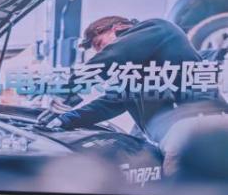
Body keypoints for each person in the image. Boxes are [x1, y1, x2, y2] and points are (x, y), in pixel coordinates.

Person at [44, 15, 228, 176]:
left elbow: (112, 56)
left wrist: (66, 92)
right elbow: (110, 103)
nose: (101, 52)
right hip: (182, 132)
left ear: (116, 27)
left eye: (99, 44)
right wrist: (64, 119)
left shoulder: (157, 27)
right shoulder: (136, 70)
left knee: (187, 194)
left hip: (196, 123)